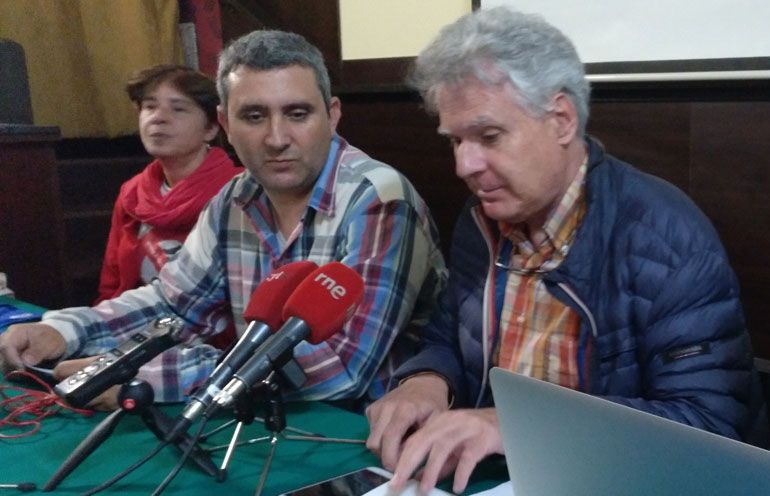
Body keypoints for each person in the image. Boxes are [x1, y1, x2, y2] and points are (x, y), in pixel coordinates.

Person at [365, 8, 767, 495]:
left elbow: (707, 425)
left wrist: (515, 426)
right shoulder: (481, 219)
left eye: (489, 136)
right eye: (456, 141)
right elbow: (449, 338)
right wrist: (426, 379)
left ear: (560, 119)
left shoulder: (664, 237)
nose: (465, 165)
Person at [0, 30, 446, 409]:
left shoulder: (380, 200)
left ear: (331, 116)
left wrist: (141, 375)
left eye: (297, 113)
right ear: (224, 125)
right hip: (250, 414)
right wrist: (63, 330)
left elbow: (339, 370)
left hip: (355, 432)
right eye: (253, 116)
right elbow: (174, 303)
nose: (276, 138)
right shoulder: (235, 196)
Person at [96, 65, 240, 304]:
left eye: (179, 109)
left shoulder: (237, 192)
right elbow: (112, 284)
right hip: (137, 324)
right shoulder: (133, 194)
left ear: (212, 128)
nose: (158, 118)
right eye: (150, 107)